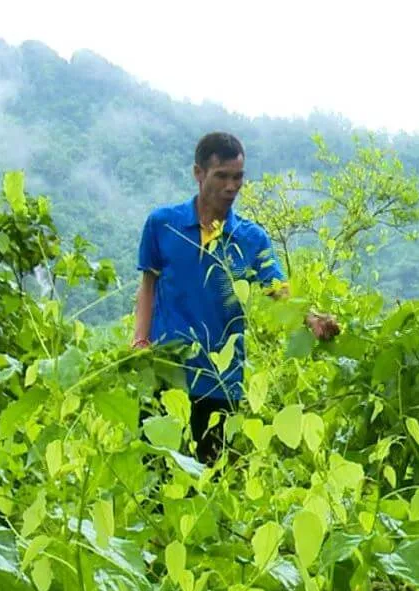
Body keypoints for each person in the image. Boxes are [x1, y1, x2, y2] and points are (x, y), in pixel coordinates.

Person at [133, 131, 338, 464]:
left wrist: (311, 317)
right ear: (198, 174)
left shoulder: (251, 238)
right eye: (222, 176)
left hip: (221, 380)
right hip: (166, 372)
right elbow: (148, 285)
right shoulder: (162, 225)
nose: (231, 187)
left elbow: (277, 289)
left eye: (238, 177)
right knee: (158, 478)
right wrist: (140, 341)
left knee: (212, 478)